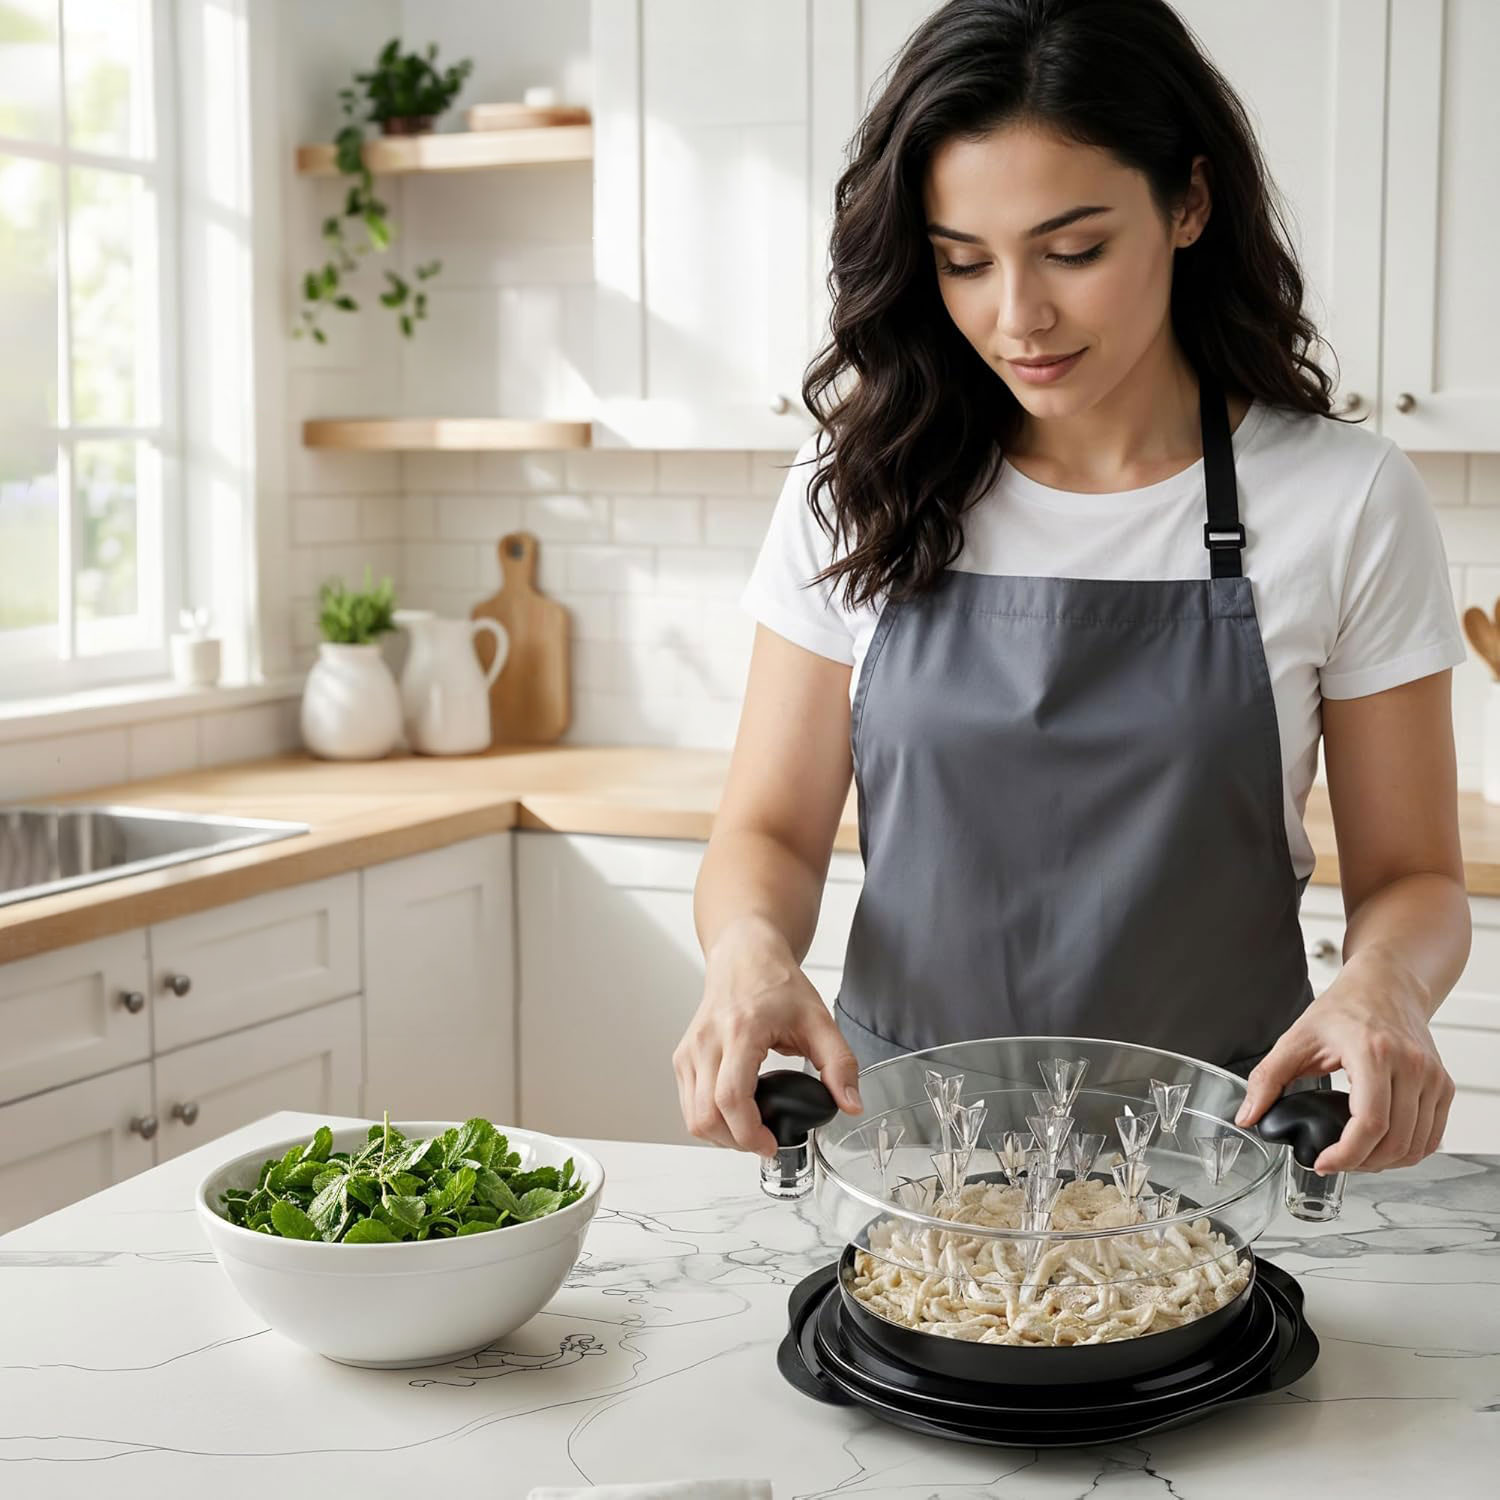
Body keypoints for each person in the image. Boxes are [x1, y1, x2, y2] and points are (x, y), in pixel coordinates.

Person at [674, 0, 1469, 1181]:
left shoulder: (1342, 498)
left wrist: (1387, 986)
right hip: (910, 1161)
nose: (1016, 315)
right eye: (962, 261)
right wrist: (744, 951)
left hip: (1218, 1153)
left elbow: (1415, 876)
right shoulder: (859, 482)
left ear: (1189, 203)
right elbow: (769, 832)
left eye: (1074, 249)